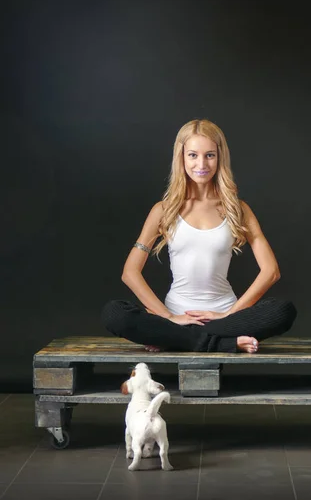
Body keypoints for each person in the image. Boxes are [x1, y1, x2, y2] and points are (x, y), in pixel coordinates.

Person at [101, 119, 297, 354]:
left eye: (210, 155)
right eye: (193, 155)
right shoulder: (163, 210)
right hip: (175, 315)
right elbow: (130, 272)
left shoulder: (237, 209)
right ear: (181, 158)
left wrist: (226, 314)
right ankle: (220, 344)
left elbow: (271, 271)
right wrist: (169, 317)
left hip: (225, 318)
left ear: (220, 157)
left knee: (283, 310)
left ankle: (179, 340)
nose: (201, 164)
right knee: (114, 313)